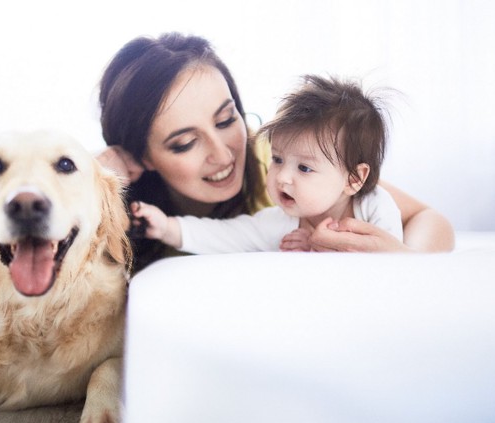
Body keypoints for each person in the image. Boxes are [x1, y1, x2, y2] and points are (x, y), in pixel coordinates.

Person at [97, 33, 454, 270]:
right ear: (143, 156)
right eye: (185, 143)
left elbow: (428, 217)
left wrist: (406, 262)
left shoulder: (279, 157)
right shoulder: (133, 215)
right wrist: (94, 180)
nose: (223, 155)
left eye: (226, 120)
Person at [129, 75, 402, 253]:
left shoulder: (374, 206)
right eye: (278, 159)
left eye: (304, 168)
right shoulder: (280, 223)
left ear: (354, 179)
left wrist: (323, 249)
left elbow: (395, 272)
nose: (282, 177)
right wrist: (165, 226)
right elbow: (225, 236)